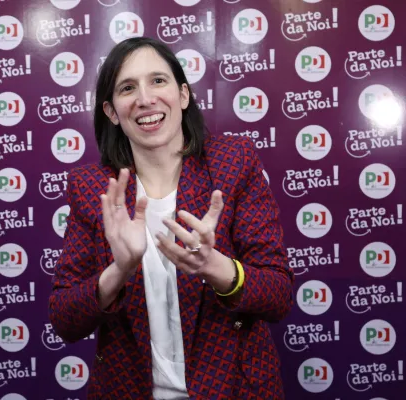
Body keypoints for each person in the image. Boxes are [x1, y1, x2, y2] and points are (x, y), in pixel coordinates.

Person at [49, 37, 294, 400]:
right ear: (112, 112)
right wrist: (118, 270)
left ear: (182, 95)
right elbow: (64, 320)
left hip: (234, 390)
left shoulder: (233, 162)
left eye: (158, 81)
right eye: (127, 88)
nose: (145, 99)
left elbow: (278, 295)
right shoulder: (93, 189)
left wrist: (215, 266)